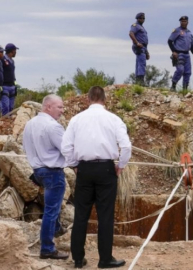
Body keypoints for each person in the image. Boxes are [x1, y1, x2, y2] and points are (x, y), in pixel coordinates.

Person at [61, 86, 131, 269]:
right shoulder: (114, 119)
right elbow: (126, 146)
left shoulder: (76, 119)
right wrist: (120, 166)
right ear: (105, 100)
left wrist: (74, 165)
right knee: (105, 216)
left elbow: (66, 147)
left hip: (84, 169)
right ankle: (105, 259)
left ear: (88, 99)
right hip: (106, 170)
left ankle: (77, 259)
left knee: (81, 215)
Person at [22, 94, 69, 260]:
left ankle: (56, 228)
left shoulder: (29, 124)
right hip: (52, 172)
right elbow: (67, 149)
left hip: (37, 171)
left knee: (51, 206)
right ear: (48, 107)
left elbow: (24, 146)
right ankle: (47, 248)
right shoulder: (53, 126)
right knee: (51, 210)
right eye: (60, 107)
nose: (62, 111)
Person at [168, 16, 193, 91]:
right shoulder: (177, 30)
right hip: (179, 53)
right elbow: (170, 41)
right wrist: (173, 51)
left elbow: (191, 46)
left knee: (187, 72)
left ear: (187, 22)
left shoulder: (189, 32)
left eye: (185, 21)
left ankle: (185, 89)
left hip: (187, 54)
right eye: (182, 21)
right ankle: (173, 85)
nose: (183, 23)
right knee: (180, 70)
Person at [129, 12, 149, 86]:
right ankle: (140, 81)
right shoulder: (135, 26)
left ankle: (138, 81)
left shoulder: (142, 27)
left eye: (143, 18)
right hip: (139, 46)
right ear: (137, 18)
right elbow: (131, 33)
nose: (142, 19)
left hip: (143, 47)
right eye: (141, 18)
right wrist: (137, 43)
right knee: (141, 63)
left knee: (139, 62)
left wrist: (147, 52)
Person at [1, 43, 18, 115]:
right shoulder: (2, 59)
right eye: (15, 50)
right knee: (5, 107)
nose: (16, 52)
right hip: (5, 86)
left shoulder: (12, 61)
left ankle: (9, 123)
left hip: (12, 86)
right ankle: (4, 123)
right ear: (11, 51)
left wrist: (15, 85)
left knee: (11, 107)